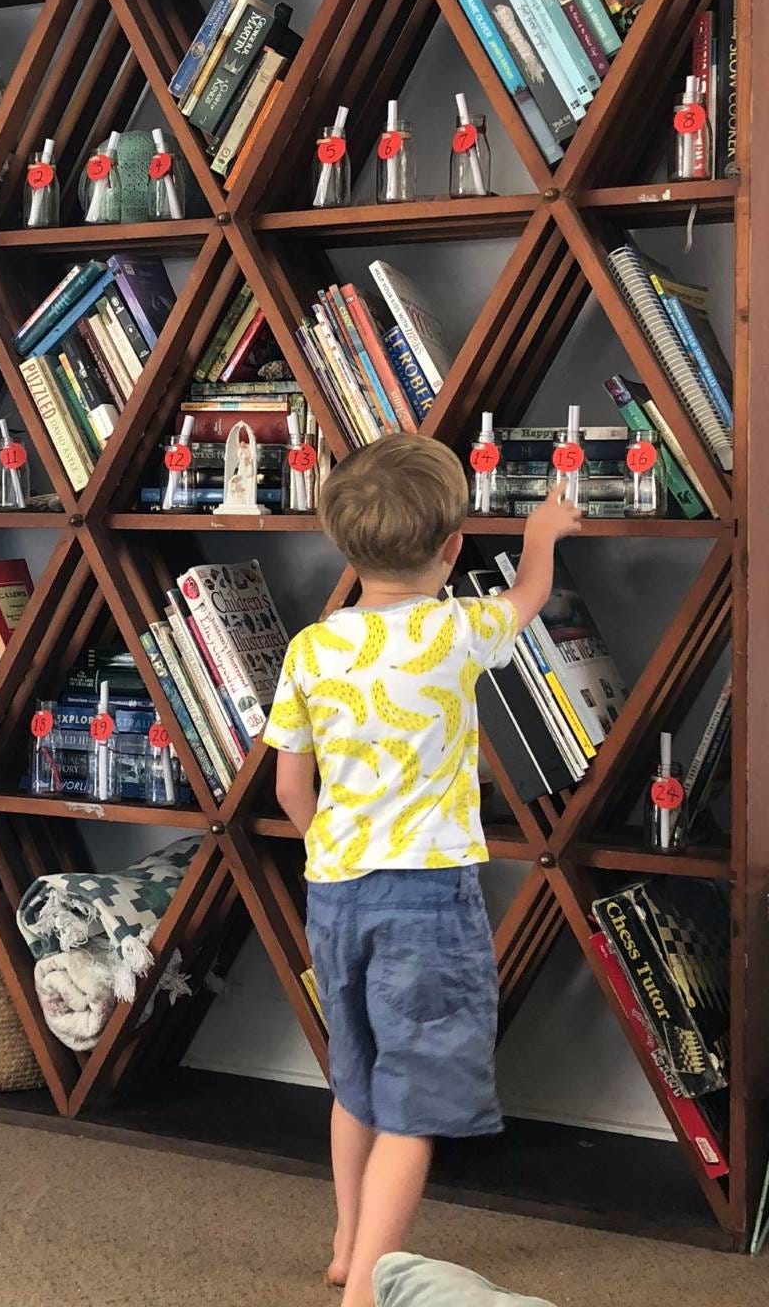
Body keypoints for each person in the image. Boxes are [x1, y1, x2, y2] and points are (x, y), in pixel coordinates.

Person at [264, 434, 580, 1306]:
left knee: (355, 1078)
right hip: (425, 899)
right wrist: (545, 527)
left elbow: (292, 785)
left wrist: (330, 841)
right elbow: (531, 596)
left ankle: (343, 1242)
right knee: (415, 1100)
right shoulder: (456, 629)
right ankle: (368, 1286)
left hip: (334, 890)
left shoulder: (311, 649)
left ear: (344, 544)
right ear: (450, 548)